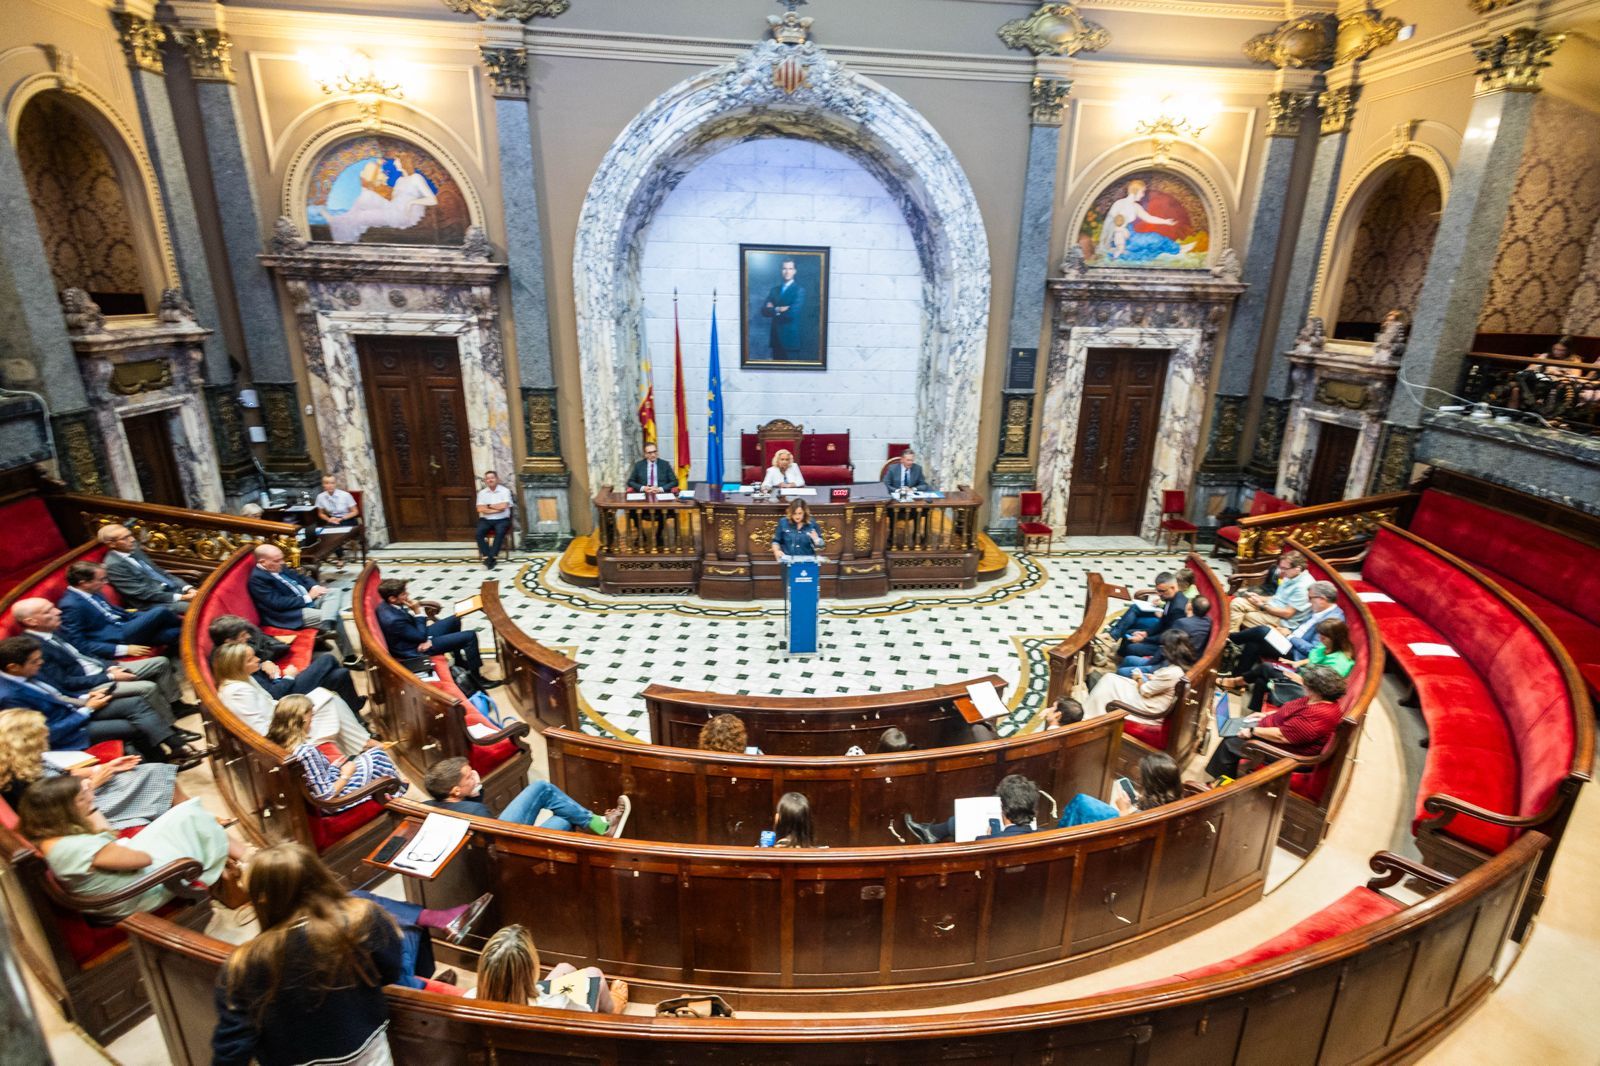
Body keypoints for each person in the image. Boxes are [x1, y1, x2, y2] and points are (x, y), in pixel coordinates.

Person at [213, 844, 490, 1066]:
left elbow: (232, 1048)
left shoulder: (241, 965)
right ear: (317, 876)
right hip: (367, 1051)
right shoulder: (361, 919)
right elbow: (392, 973)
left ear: (261, 898)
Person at [18, 774, 242, 919]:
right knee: (192, 821)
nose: (88, 797)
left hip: (123, 878)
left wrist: (90, 806)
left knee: (184, 814)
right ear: (63, 810)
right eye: (80, 799)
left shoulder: (52, 837)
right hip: (136, 894)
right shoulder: (76, 847)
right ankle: (245, 858)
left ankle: (240, 854)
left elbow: (112, 840)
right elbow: (142, 860)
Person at [0, 636, 201, 765]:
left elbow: (58, 695)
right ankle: (163, 762)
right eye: (35, 661)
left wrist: (87, 698)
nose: (41, 663)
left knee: (136, 702)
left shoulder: (27, 673)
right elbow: (45, 732)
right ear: (13, 667)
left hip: (76, 709)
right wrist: (85, 710)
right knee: (134, 726)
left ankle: (176, 747)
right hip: (67, 734)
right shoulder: (9, 697)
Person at [12, 597, 192, 727]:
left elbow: (85, 653)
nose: (57, 611)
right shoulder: (33, 649)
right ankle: (170, 727)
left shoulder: (53, 630)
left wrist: (110, 666)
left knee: (160, 662)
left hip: (102, 669)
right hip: (89, 685)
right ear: (31, 621)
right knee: (147, 688)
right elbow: (66, 682)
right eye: (48, 611)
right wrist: (109, 676)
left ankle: (177, 706)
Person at [0, 708, 182, 829]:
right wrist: (95, 783)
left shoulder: (25, 759)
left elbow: (66, 774)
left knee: (148, 772)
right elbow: (58, 811)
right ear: (25, 742)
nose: (46, 734)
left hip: (81, 793)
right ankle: (190, 820)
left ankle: (185, 819)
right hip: (78, 813)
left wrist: (104, 767)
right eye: (40, 733)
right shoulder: (20, 781)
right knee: (155, 776)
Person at [213, 643, 371, 758]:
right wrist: (299, 720)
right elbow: (263, 731)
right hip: (284, 735)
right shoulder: (237, 693)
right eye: (250, 659)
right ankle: (363, 744)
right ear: (236, 667)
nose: (258, 659)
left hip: (283, 718)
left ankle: (362, 744)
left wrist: (298, 708)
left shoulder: (244, 679)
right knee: (329, 700)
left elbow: (271, 703)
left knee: (326, 695)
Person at [422, 755, 631, 835]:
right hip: (510, 846)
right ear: (455, 791)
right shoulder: (475, 811)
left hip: (500, 844)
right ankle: (601, 825)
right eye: (469, 777)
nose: (475, 777)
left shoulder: (428, 805)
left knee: (564, 819)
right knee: (542, 788)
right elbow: (499, 840)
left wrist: (474, 792)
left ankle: (600, 825)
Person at [1206, 665, 1348, 781]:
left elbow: (1283, 737)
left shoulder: (1320, 714)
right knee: (1235, 727)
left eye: (1306, 684)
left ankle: (1220, 785)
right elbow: (1289, 710)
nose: (1303, 685)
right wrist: (1265, 714)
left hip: (1289, 753)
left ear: (1317, 690)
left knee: (1231, 741)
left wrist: (1252, 731)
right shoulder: (1315, 699)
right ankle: (1222, 778)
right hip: (1274, 730)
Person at [208, 613, 365, 711]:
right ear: (229, 640)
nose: (247, 638)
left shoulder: (230, 652)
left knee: (341, 674)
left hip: (276, 684)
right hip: (283, 697)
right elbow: (271, 695)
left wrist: (263, 664)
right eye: (242, 636)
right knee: (328, 659)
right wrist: (288, 677)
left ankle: (354, 708)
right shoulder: (228, 661)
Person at [268, 695, 399, 812]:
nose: (312, 721)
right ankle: (397, 799)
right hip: (334, 802)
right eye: (311, 716)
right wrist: (345, 775)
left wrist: (334, 767)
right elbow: (326, 795)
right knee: (377, 756)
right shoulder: (305, 752)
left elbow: (315, 777)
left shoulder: (275, 743)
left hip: (326, 784)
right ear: (302, 720)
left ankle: (395, 793)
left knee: (368, 757)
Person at [469, 924, 628, 1013]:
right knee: (595, 975)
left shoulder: (469, 997)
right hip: (545, 1021)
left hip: (527, 1004)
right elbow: (585, 1013)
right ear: (530, 970)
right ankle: (613, 1009)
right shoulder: (560, 1004)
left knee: (565, 968)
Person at [375, 577, 493, 689]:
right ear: (392, 598)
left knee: (455, 620)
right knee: (470, 636)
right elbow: (420, 636)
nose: (407, 596)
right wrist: (418, 612)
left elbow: (409, 628)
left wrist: (422, 633)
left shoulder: (388, 605)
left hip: (413, 637)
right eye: (403, 594)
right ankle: (477, 679)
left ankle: (459, 661)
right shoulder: (393, 619)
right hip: (415, 648)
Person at [246, 544, 357, 661]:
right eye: (277, 560)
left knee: (335, 592)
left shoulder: (277, 566)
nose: (282, 563)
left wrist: (315, 587)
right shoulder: (257, 579)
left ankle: (326, 625)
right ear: (263, 562)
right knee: (335, 617)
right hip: (291, 613)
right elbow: (277, 603)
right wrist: (308, 597)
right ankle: (350, 658)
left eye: (282, 559)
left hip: (306, 598)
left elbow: (302, 577)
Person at [1227, 617, 1356, 713]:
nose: (1321, 640)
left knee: (1266, 667)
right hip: (1302, 676)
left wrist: (1300, 679)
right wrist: (1297, 663)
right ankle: (1254, 713)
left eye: (1324, 638)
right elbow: (1314, 657)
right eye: (1320, 636)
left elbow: (1323, 689)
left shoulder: (1340, 663)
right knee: (1261, 680)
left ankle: (1236, 682)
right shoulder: (1327, 646)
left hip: (1308, 692)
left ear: (1336, 638)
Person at [58, 561, 182, 656]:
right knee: (161, 611)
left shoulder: (92, 591)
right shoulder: (70, 605)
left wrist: (142, 616)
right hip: (118, 637)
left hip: (127, 625)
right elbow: (79, 643)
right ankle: (189, 623)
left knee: (174, 632)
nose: (105, 583)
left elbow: (117, 612)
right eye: (101, 580)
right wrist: (123, 650)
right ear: (83, 583)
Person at [1227, 579, 1342, 679]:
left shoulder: (1332, 620)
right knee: (1254, 643)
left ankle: (1230, 639)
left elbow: (1313, 651)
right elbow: (1302, 628)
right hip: (1290, 639)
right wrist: (1288, 633)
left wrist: (1289, 636)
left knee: (1263, 631)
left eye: (1310, 598)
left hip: (1298, 653)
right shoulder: (1320, 608)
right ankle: (1237, 677)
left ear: (1322, 599)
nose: (1308, 601)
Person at [1083, 630, 1196, 727]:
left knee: (1109, 683)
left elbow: (1145, 691)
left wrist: (1138, 677)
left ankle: (1089, 717)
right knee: (1110, 679)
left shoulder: (1173, 672)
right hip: (1154, 698)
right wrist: (1152, 678)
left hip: (1149, 707)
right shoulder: (1181, 668)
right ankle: (1092, 712)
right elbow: (1164, 684)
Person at [902, 773, 1039, 845]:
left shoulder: (983, 841)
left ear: (1002, 808)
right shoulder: (1043, 837)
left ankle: (932, 833)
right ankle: (933, 833)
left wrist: (990, 838)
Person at [1058, 751, 1183, 827]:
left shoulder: (1153, 816)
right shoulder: (1177, 801)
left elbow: (1127, 829)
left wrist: (1123, 809)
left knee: (1081, 802)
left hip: (1126, 830)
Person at [98, 524, 196, 614]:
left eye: (130, 535)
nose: (132, 539)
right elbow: (142, 593)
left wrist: (187, 588)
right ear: (111, 544)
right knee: (196, 608)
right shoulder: (113, 566)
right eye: (125, 538)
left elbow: (159, 572)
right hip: (154, 603)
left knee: (205, 597)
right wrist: (182, 597)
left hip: (172, 590)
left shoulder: (134, 548)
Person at [1119, 596, 1211, 677]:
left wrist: (1150, 663)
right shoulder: (1208, 622)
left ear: (1190, 606)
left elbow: (1165, 646)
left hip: (1169, 666)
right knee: (1128, 659)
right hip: (1185, 662)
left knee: (1121, 671)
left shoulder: (1183, 623)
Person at [1229, 550, 1312, 631]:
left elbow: (1287, 614)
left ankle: (1230, 637)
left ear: (1298, 568)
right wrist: (1259, 598)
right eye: (1280, 567)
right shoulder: (1291, 575)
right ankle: (1231, 636)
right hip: (1271, 607)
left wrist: (1262, 605)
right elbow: (1277, 598)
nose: (1280, 571)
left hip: (1282, 619)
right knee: (1237, 602)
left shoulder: (1303, 587)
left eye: (1284, 568)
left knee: (1247, 617)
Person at [1113, 572, 1190, 658]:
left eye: (1162, 591)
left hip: (1166, 644)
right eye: (1158, 590)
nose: (1159, 594)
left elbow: (1169, 636)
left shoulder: (1178, 608)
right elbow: (1162, 623)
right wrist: (1146, 633)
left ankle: (1121, 662)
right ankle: (1119, 656)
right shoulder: (1170, 598)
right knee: (1130, 633)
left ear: (1173, 588)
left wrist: (1145, 639)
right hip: (1161, 635)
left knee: (1132, 647)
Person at [760, 257, 807, 361]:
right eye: (784, 268)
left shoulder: (799, 291)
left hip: (790, 342)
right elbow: (763, 311)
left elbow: (792, 314)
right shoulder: (774, 290)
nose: (787, 272)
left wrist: (773, 310)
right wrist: (778, 309)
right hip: (775, 340)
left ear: (795, 271)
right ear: (781, 271)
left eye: (790, 268)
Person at [313, 474, 361, 572]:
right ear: (323, 485)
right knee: (323, 532)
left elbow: (355, 512)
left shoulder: (345, 495)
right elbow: (320, 513)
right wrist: (328, 519)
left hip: (347, 518)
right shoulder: (320, 497)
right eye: (327, 483)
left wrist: (342, 518)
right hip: (332, 519)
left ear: (335, 484)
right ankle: (324, 555)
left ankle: (340, 558)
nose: (330, 485)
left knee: (335, 532)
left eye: (332, 483)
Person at [474, 470, 515, 569]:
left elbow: (504, 506)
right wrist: (497, 509)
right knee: (478, 533)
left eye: (492, 478)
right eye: (487, 479)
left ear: (497, 479)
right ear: (485, 481)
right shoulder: (482, 493)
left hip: (502, 519)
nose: (490, 480)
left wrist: (488, 507)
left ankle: (490, 557)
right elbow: (480, 509)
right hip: (486, 519)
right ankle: (489, 556)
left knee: (500, 532)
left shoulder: (505, 491)